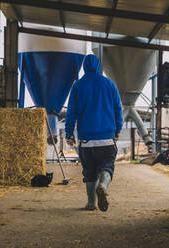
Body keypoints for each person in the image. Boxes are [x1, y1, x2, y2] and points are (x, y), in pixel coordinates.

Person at [65, 54, 123, 211]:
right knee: (107, 167)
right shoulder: (109, 84)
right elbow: (118, 109)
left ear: (84, 67)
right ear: (99, 66)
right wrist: (117, 129)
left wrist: (69, 134)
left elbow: (71, 113)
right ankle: (103, 185)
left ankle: (91, 203)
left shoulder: (78, 86)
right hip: (106, 139)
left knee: (89, 173)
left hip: (86, 141)